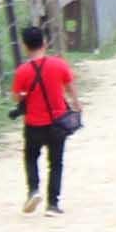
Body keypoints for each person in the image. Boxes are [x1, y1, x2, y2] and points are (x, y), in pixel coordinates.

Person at [11, 23, 75, 215]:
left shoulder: (23, 71)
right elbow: (70, 86)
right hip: (58, 122)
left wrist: (24, 95)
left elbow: (17, 97)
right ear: (44, 43)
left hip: (34, 124)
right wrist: (77, 105)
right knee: (56, 163)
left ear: (25, 46)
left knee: (31, 158)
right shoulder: (59, 64)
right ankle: (53, 204)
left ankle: (33, 190)